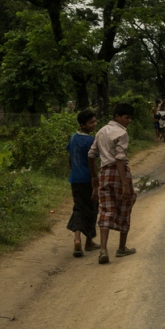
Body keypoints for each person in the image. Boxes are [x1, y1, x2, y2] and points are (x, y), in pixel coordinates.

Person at [89, 103, 137, 264]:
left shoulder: (101, 131)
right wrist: (124, 183)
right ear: (118, 117)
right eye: (126, 117)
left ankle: (103, 249)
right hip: (119, 172)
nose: (128, 121)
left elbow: (91, 154)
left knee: (106, 209)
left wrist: (94, 176)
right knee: (125, 205)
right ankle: (121, 248)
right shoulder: (122, 133)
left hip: (104, 173)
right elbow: (119, 158)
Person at [67, 109, 100, 258]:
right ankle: (88, 241)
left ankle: (77, 239)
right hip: (88, 179)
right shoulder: (90, 141)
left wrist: (74, 171)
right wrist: (95, 180)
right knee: (92, 208)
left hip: (75, 179)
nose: (94, 124)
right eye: (91, 122)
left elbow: (70, 158)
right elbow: (92, 163)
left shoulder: (73, 138)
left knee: (79, 208)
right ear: (83, 125)